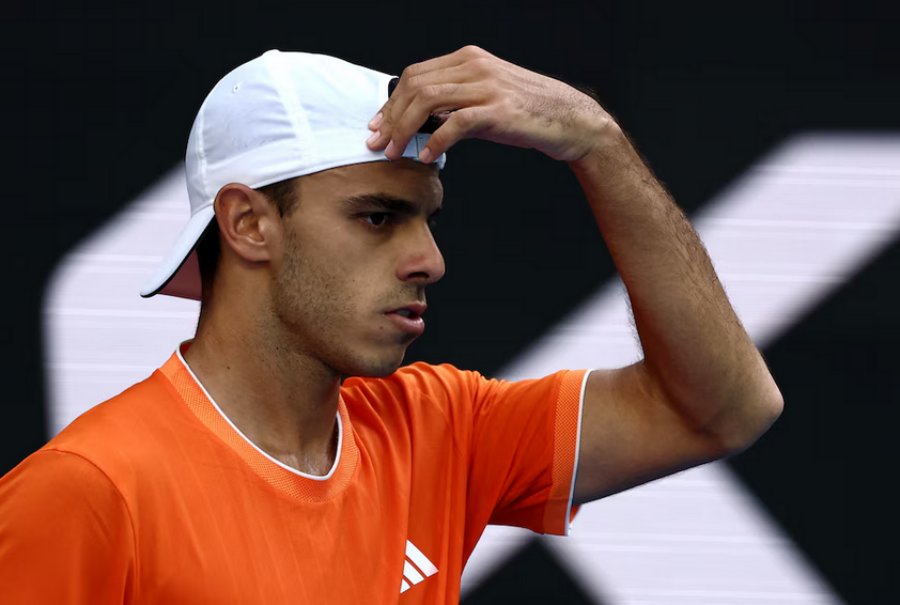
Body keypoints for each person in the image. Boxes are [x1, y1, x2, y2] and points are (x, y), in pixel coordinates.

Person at [0, 46, 782, 603]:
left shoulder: (440, 428)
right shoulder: (88, 492)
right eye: (378, 216)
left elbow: (720, 410)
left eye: (427, 219)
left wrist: (597, 142)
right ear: (246, 223)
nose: (429, 260)